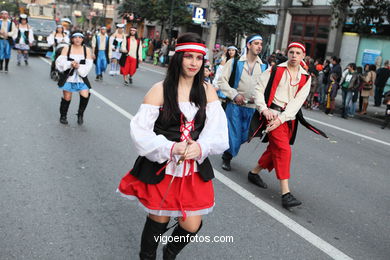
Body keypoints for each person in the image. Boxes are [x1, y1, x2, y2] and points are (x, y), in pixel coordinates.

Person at [117, 32, 229, 259]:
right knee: (159, 220)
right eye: (189, 57)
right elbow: (139, 132)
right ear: (179, 59)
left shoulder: (207, 91)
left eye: (198, 59)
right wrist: (171, 148)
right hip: (163, 167)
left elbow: (217, 132)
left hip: (193, 170)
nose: (194, 63)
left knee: (191, 225)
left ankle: (170, 251)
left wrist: (200, 147)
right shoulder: (159, 89)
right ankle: (147, 257)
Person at [248, 41, 327, 208]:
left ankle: (254, 173)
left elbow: (297, 103)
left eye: (298, 53)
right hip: (271, 114)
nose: (294, 56)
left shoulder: (305, 77)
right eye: (291, 52)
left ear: (303, 56)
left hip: (287, 119)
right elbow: (259, 89)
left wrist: (281, 119)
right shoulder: (275, 69)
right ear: (287, 53)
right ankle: (286, 194)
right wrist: (264, 109)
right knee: (284, 150)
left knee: (274, 149)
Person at [218, 35, 266, 171]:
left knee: (246, 135)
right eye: (256, 43)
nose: (259, 46)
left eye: (261, 44)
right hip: (235, 106)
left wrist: (259, 99)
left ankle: (229, 149)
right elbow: (222, 81)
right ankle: (227, 157)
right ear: (249, 45)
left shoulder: (264, 66)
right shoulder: (234, 62)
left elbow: (265, 87)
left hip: (252, 108)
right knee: (234, 133)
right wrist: (235, 94)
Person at [56, 31, 93, 125]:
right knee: (67, 97)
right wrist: (70, 64)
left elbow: (89, 65)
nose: (77, 39)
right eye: (75, 37)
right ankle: (63, 116)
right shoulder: (66, 48)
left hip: (81, 77)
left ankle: (80, 115)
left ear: (83, 39)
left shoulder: (87, 50)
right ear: (72, 39)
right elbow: (60, 63)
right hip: (69, 77)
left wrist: (79, 67)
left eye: (80, 37)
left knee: (85, 94)